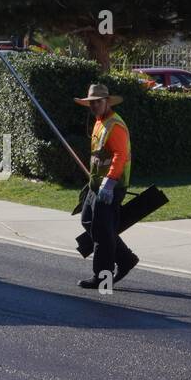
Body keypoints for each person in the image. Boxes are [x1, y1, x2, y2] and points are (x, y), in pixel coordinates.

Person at [76, 83, 139, 289]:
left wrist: (109, 182)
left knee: (103, 232)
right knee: (88, 221)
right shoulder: (99, 122)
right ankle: (125, 259)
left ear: (106, 102)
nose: (94, 106)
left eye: (98, 102)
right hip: (97, 185)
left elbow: (120, 156)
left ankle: (103, 277)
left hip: (111, 186)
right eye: (91, 103)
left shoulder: (115, 125)